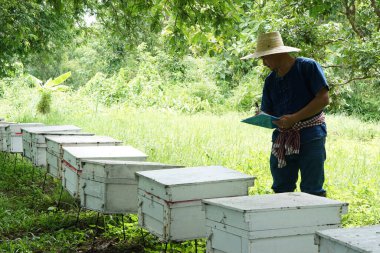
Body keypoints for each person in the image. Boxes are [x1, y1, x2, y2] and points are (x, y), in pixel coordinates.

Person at [242, 31, 330, 197]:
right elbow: (270, 112)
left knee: (312, 189)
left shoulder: (307, 67)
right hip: (282, 139)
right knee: (281, 187)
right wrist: (262, 116)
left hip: (311, 136)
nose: (263, 63)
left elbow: (323, 99)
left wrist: (295, 118)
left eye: (265, 58)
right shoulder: (270, 80)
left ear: (277, 53)